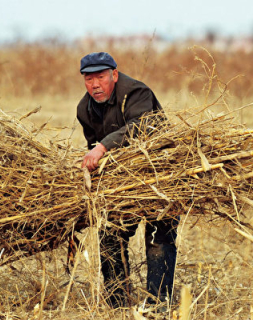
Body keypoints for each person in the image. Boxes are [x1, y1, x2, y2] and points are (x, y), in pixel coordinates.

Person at [76, 52, 178, 309]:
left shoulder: (136, 93)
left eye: (101, 77)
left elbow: (142, 126)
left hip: (159, 175)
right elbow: (92, 147)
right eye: (89, 79)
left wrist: (102, 147)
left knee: (159, 236)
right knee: (109, 234)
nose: (95, 85)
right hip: (121, 184)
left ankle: (158, 304)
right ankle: (117, 305)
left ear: (114, 74)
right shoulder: (84, 109)